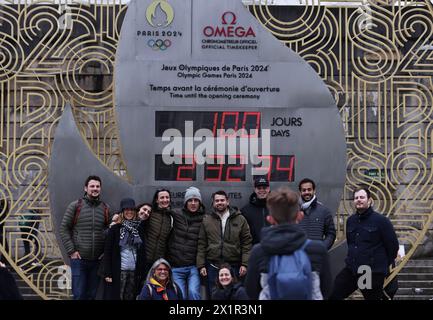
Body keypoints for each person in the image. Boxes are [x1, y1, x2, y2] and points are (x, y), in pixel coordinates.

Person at [245, 186, 332, 300]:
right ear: (300, 216)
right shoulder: (317, 249)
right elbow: (326, 288)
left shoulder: (259, 251)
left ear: (270, 219)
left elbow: (251, 291)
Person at [329, 186, 399, 300]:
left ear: (369, 200)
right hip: (352, 269)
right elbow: (352, 243)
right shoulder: (351, 221)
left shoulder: (381, 221)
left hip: (369, 272)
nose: (359, 200)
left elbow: (392, 247)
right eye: (356, 198)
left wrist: (381, 267)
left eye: (362, 197)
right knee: (335, 294)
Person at [59, 175, 111, 300]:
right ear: (86, 188)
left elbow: (110, 231)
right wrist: (72, 251)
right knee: (79, 295)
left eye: (97, 186)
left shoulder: (105, 208)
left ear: (100, 189)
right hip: (79, 260)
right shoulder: (75, 206)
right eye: (92, 186)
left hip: (97, 261)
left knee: (92, 295)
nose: (95, 188)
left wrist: (104, 252)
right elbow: (64, 228)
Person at [197, 190, 252, 299]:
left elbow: (247, 242)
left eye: (222, 200)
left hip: (234, 266)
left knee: (235, 296)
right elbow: (202, 243)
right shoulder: (207, 220)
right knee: (214, 296)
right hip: (213, 266)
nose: (219, 202)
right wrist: (201, 265)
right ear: (213, 203)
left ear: (227, 201)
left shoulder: (240, 219)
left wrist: (245, 264)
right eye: (217, 200)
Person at [103, 198, 146, 300]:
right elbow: (108, 251)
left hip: (134, 271)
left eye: (132, 209)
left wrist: (142, 272)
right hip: (119, 270)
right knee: (118, 297)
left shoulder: (139, 229)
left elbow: (142, 251)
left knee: (131, 297)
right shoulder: (115, 229)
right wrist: (108, 272)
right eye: (126, 209)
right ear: (122, 211)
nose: (129, 212)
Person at [167, 187, 205, 300]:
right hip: (176, 267)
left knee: (193, 293)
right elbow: (158, 212)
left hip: (193, 267)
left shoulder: (205, 219)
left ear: (200, 202)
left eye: (196, 200)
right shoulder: (176, 214)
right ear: (186, 202)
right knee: (180, 295)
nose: (193, 203)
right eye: (190, 200)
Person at [298, 178, 336, 250]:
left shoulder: (324, 211)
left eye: (309, 189)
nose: (307, 192)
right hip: (298, 257)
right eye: (304, 190)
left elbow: (331, 234)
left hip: (316, 257)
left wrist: (322, 248)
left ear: (314, 191)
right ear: (300, 192)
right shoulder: (293, 211)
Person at [143, 189, 174, 275]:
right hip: (144, 259)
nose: (165, 200)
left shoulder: (171, 217)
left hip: (159, 262)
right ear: (157, 200)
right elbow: (136, 213)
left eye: (167, 197)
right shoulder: (150, 212)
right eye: (162, 197)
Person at [241, 176, 271, 245]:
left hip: (274, 250)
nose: (262, 190)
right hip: (254, 251)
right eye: (259, 188)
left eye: (264, 188)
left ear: (269, 189)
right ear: (254, 189)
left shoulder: (276, 208)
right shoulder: (245, 210)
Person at [0, 199, 9, 265]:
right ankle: (3, 263)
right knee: (5, 249)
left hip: (1, 232)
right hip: (0, 233)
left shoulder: (3, 211)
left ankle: (3, 262)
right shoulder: (2, 211)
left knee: (5, 249)